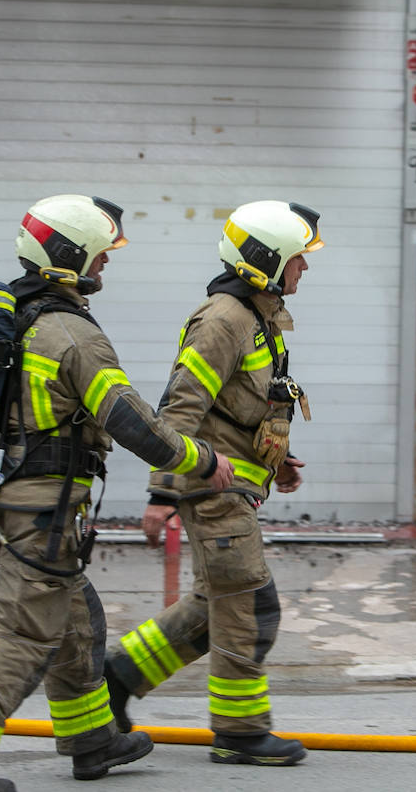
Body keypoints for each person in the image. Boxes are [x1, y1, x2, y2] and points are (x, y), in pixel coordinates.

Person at [0, 194, 233, 790]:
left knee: (77, 618)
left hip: (27, 503)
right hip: (43, 507)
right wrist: (202, 461)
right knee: (21, 631)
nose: (106, 264)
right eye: (99, 253)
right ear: (68, 255)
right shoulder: (70, 334)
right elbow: (133, 422)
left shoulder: (22, 316)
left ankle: (92, 740)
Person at [102, 200, 323, 768]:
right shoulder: (223, 321)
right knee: (251, 605)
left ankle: (117, 677)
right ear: (265, 262)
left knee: (215, 605)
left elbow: (241, 409)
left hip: (236, 488)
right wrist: (160, 495)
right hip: (211, 489)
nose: (306, 269)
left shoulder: (258, 318)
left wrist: (280, 458)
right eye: (298, 259)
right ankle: (240, 731)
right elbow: (178, 410)